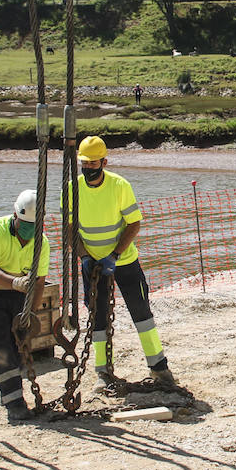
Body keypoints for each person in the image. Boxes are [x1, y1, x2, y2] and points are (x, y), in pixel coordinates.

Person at [70, 136, 174, 386]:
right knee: (98, 317)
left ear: (104, 162)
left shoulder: (120, 186)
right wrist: (84, 256)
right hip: (92, 265)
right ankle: (103, 372)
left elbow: (134, 223)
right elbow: (69, 227)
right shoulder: (73, 188)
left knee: (141, 312)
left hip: (124, 261)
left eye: (93, 164)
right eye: (85, 163)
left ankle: (159, 368)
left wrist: (115, 255)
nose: (88, 169)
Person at [0, 189, 52, 422]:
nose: (27, 230)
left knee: (15, 342)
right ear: (15, 215)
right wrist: (14, 282)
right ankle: (14, 402)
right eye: (23, 223)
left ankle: (9, 391)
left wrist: (31, 314)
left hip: (19, 289)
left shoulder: (41, 244)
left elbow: (39, 283)